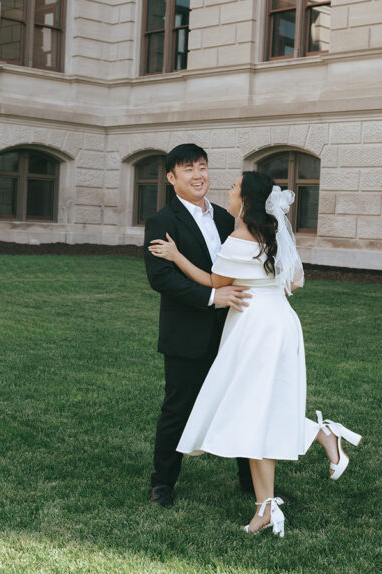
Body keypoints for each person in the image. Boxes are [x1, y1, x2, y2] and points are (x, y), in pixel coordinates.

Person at [148, 170, 361, 537]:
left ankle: (322, 434)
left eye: (233, 189)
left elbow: (213, 282)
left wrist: (177, 256)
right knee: (259, 408)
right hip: (280, 321)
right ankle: (266, 507)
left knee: (256, 408)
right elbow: (295, 281)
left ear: (244, 200)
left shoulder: (237, 237)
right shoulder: (273, 233)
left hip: (255, 329)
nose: (227, 192)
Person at [143, 144, 255, 508]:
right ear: (171, 178)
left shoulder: (226, 219)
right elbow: (161, 278)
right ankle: (163, 483)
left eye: (202, 167)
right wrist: (211, 298)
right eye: (188, 169)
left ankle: (251, 482)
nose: (198, 175)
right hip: (185, 334)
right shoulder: (162, 221)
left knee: (240, 404)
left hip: (231, 331)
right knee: (178, 408)